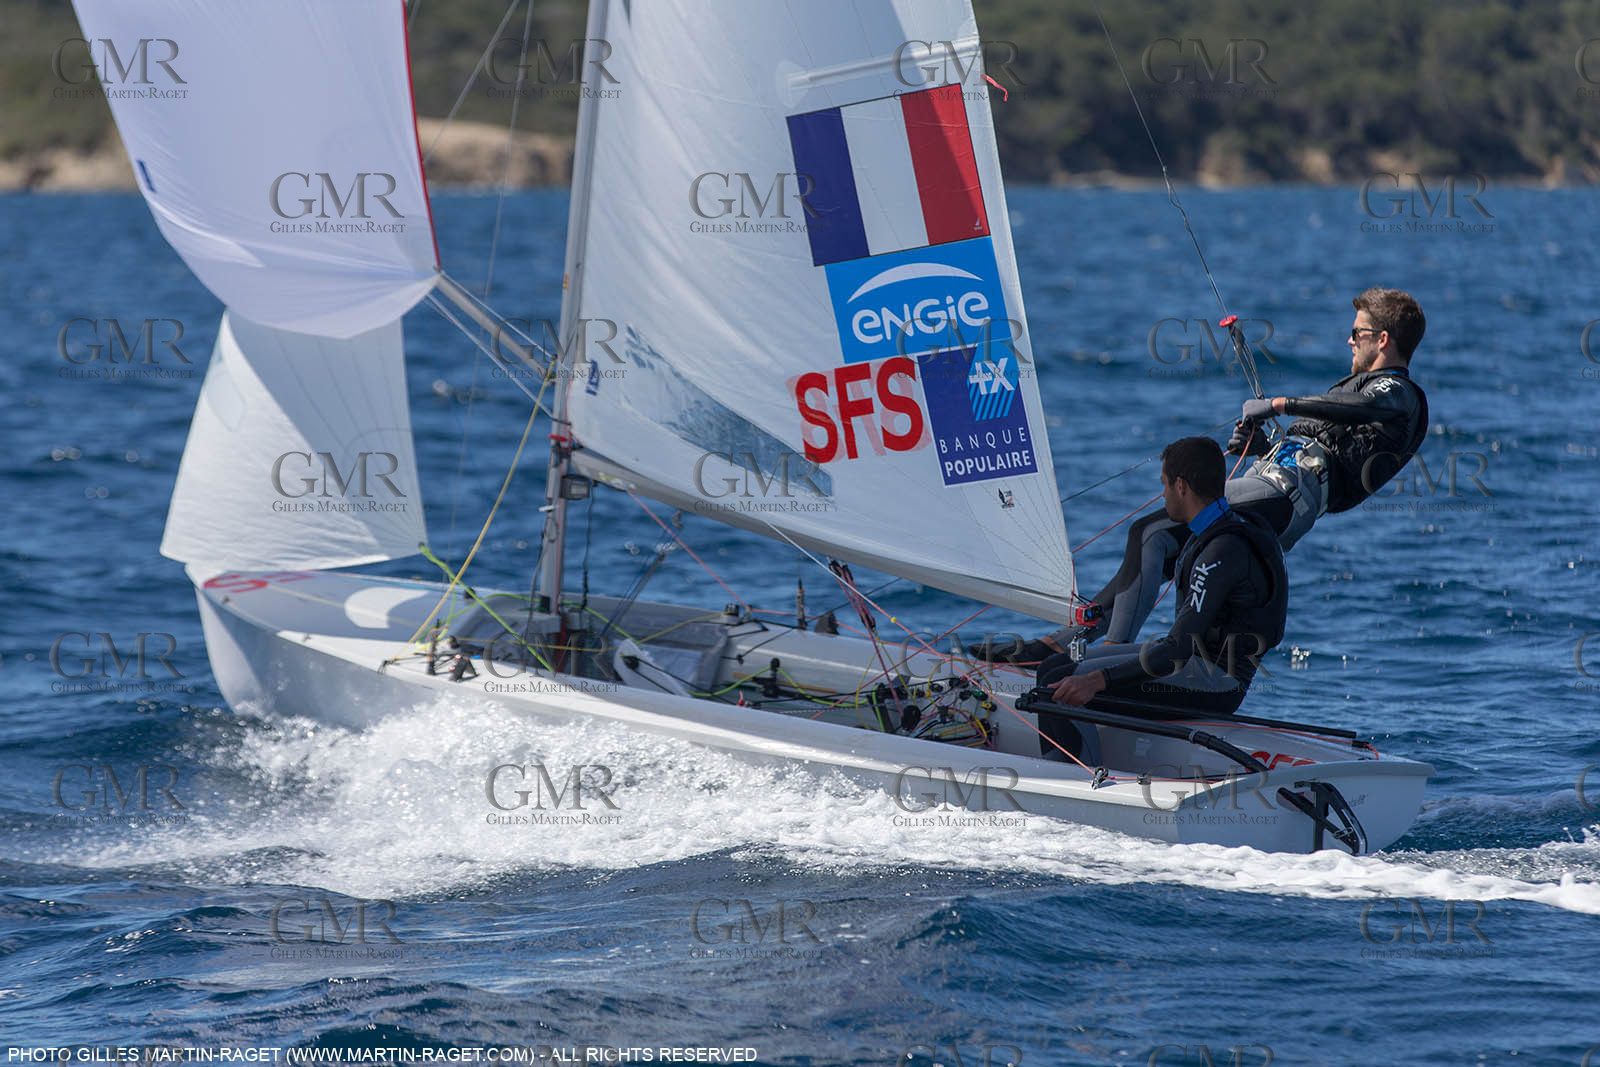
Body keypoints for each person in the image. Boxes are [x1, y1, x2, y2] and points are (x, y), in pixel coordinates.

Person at [976, 286, 1428, 663]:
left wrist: (1278, 405)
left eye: (1356, 333)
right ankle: (1062, 645)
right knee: (1160, 546)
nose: (1349, 341)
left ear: (1382, 339)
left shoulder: (1397, 392)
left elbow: (1362, 411)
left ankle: (1106, 659)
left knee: (1152, 531)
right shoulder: (1365, 391)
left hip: (1285, 498)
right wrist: (1263, 445)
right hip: (1274, 483)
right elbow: (1332, 448)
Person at [1034, 436, 1287, 759]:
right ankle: (1057, 766)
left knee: (1063, 684)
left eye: (1164, 485)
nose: (1163, 495)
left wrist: (1097, 681)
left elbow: (1177, 648)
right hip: (1189, 663)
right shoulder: (1217, 529)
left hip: (1218, 682)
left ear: (1181, 486)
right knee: (1053, 668)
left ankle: (1078, 782)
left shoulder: (1222, 549)